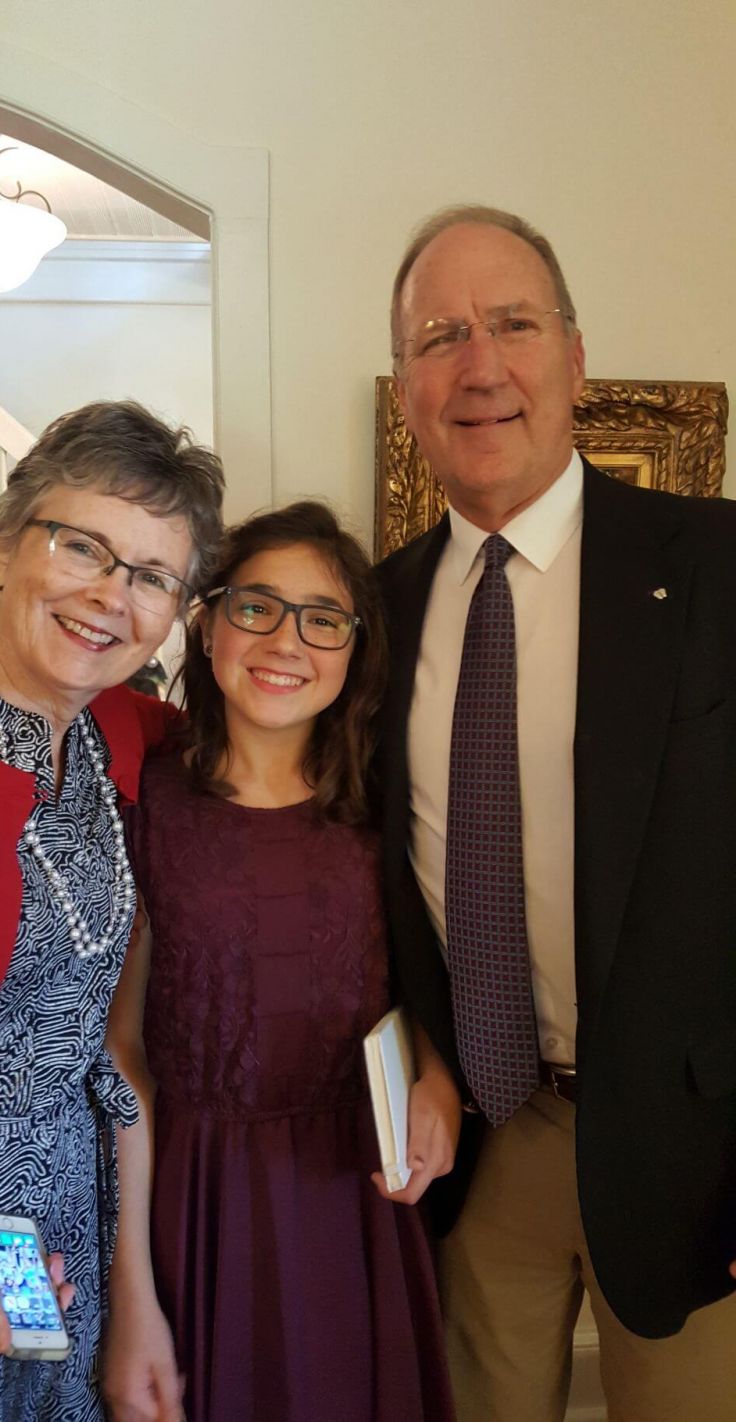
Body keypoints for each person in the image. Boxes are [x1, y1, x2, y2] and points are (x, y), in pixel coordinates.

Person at [376, 205, 736, 1421]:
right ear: (405, 385)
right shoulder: (364, 617)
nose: (479, 365)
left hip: (698, 1151)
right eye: (440, 336)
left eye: (512, 324)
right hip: (480, 1145)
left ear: (575, 361)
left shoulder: (716, 568)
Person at [104, 500, 460, 1422]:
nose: (287, 640)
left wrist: (435, 1073)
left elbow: (427, 974)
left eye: (323, 618)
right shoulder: (146, 800)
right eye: (257, 605)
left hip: (356, 1196)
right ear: (209, 620)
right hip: (196, 1194)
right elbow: (123, 1055)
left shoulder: (388, 806)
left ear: (355, 651)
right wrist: (133, 1284)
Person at [0, 399, 223, 1421]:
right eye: (83, 547)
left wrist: (136, 1299)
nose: (111, 596)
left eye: (151, 576)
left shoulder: (130, 737)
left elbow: (116, 1051)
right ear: (3, 541)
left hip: (60, 1234)